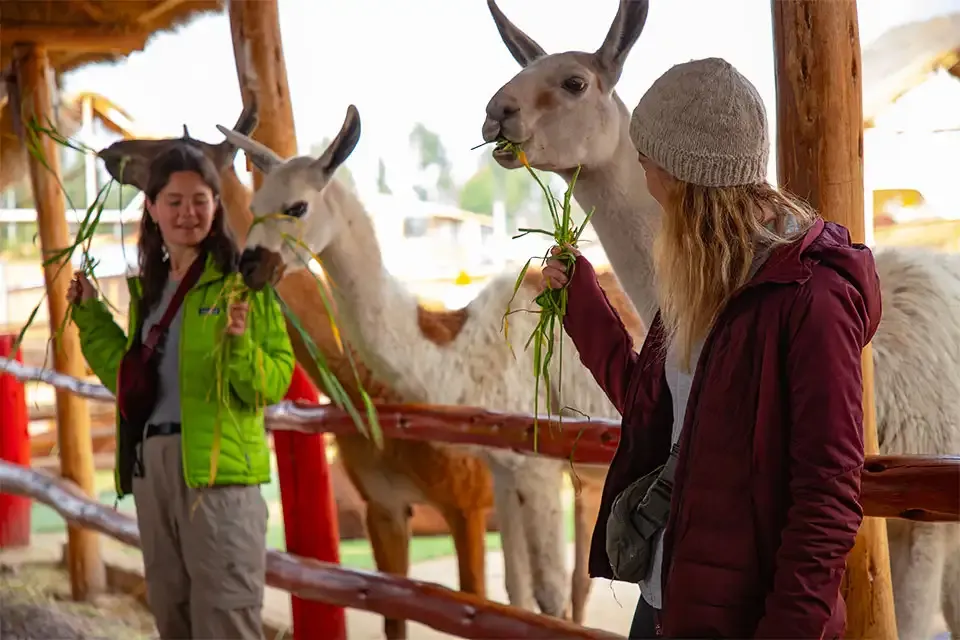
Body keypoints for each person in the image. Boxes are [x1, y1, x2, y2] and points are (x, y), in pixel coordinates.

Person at [542, 57, 881, 638]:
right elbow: (657, 409)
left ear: (682, 177)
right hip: (667, 600)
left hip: (742, 621)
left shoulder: (812, 299)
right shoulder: (701, 279)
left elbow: (826, 497)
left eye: (647, 164)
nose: (646, 181)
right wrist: (581, 303)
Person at [68, 143, 295, 640]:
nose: (187, 213)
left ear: (216, 207)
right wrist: (90, 313)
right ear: (152, 208)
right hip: (154, 470)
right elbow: (127, 378)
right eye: (174, 201)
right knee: (172, 616)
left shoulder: (244, 284)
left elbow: (272, 383)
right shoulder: (149, 291)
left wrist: (239, 345)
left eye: (199, 201)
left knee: (226, 618)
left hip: (217, 474)